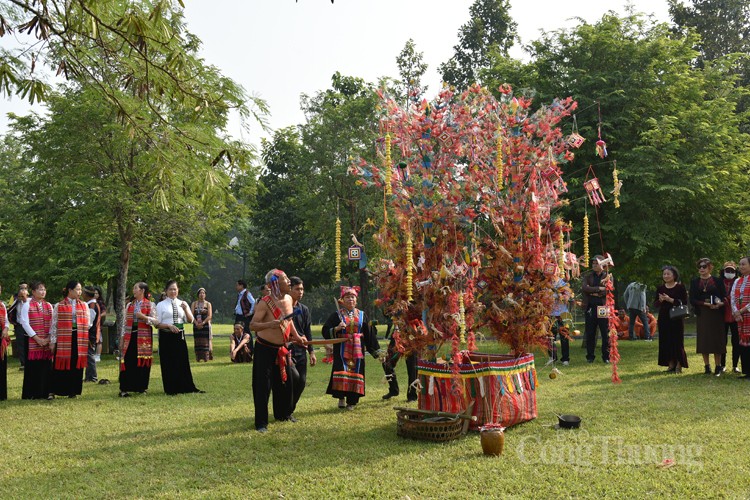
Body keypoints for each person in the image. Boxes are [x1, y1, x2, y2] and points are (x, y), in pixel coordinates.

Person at [249, 269, 307, 432]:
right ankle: (261, 423)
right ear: (274, 283)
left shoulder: (289, 298)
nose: (289, 281)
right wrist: (270, 324)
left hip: (282, 349)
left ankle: (284, 414)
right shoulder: (264, 302)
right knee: (263, 386)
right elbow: (252, 325)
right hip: (264, 349)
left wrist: (297, 336)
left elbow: (289, 321)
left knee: (285, 383)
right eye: (285, 278)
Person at [322, 286, 381, 410]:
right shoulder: (336, 315)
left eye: (352, 297)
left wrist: (377, 352)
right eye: (347, 297)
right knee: (342, 371)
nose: (350, 300)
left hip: (358, 350)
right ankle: (341, 398)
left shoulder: (362, 315)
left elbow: (369, 334)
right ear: (342, 300)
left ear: (356, 300)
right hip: (341, 350)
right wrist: (337, 328)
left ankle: (352, 402)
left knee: (356, 372)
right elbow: (325, 330)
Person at [155, 280, 203, 395]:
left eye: (175, 289)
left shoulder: (182, 303)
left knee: (181, 361)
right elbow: (156, 323)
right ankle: (171, 388)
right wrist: (168, 326)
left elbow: (191, 320)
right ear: (166, 291)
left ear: (178, 290)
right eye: (170, 289)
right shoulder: (161, 305)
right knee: (168, 361)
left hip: (179, 335)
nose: (173, 291)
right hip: (166, 335)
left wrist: (186, 308)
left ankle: (185, 386)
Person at [49, 281, 90, 398]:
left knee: (76, 364)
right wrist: (53, 341)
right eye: (77, 289)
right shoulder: (59, 305)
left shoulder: (84, 305)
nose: (80, 292)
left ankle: (73, 391)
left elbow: (88, 323)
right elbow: (54, 324)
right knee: (61, 364)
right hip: (63, 339)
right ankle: (55, 390)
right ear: (70, 290)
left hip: (79, 338)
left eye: (80, 289)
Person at [690, 258, 727, 376]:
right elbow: (692, 299)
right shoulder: (695, 282)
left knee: (717, 339)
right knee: (704, 339)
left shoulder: (718, 280)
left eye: (704, 266)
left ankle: (718, 366)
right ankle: (707, 366)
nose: (701, 268)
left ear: (710, 267)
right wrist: (705, 304)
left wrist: (720, 304)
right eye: (699, 266)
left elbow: (725, 296)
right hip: (703, 313)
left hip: (716, 314)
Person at [119, 282, 156, 397]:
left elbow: (155, 321)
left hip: (144, 337)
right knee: (128, 361)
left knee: (142, 361)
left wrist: (143, 317)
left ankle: (141, 387)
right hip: (130, 336)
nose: (133, 290)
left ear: (142, 291)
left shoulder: (150, 305)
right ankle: (124, 389)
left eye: (136, 288)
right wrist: (122, 338)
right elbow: (124, 323)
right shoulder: (130, 305)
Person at [19, 281, 53, 399]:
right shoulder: (27, 305)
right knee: (33, 367)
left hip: (46, 341)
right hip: (32, 341)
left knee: (46, 367)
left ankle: (46, 392)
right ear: (33, 292)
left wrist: (48, 338)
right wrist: (37, 338)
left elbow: (53, 323)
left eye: (44, 289)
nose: (43, 292)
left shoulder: (48, 305)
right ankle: (32, 393)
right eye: (40, 289)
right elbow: (24, 323)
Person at [289, 276, 316, 416]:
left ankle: (290, 409)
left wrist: (311, 352)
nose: (300, 292)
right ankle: (286, 410)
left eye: (302, 289)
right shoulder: (284, 308)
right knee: (293, 379)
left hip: (301, 350)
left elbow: (307, 331)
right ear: (289, 289)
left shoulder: (304, 309)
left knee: (302, 381)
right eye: (297, 289)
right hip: (287, 350)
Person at [655, 266, 689, 373]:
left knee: (677, 340)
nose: (666, 276)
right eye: (664, 274)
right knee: (666, 340)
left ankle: (679, 363)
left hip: (676, 317)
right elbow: (655, 304)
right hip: (664, 317)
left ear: (674, 275)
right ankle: (670, 364)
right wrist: (660, 300)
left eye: (668, 274)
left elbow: (684, 302)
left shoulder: (680, 287)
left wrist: (670, 300)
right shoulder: (660, 288)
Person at [581, 256, 611, 363]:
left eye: (596, 263)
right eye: (593, 263)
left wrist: (594, 291)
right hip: (591, 307)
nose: (594, 265)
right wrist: (599, 289)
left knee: (605, 332)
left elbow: (608, 290)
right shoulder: (588, 276)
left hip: (603, 307)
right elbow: (585, 288)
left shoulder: (608, 276)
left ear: (602, 264)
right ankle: (590, 357)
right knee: (590, 333)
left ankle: (606, 356)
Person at [381, 325, 418, 401]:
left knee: (412, 368)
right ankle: (393, 389)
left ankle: (412, 395)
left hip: (412, 335)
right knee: (386, 362)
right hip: (397, 334)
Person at [730, 256, 750, 379]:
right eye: (740, 264)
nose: (741, 266)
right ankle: (747, 371)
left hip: (747, 314)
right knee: (743, 345)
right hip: (740, 318)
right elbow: (732, 297)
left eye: (744, 264)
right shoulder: (737, 281)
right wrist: (736, 312)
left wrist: (741, 311)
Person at [721, 261, 741, 373]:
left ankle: (735, 365)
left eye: (732, 271)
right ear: (723, 271)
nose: (729, 272)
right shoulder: (720, 282)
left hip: (735, 315)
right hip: (722, 316)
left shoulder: (738, 282)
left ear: (735, 272)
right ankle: (722, 364)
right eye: (727, 270)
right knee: (722, 341)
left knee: (736, 341)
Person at [82, 287, 102, 382]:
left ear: (86, 295)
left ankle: (92, 376)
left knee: (89, 355)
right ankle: (89, 376)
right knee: (88, 355)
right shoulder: (92, 304)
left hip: (90, 334)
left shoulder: (92, 306)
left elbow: (89, 322)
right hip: (91, 333)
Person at [234, 280, 255, 358]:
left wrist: (250, 312)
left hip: (244, 317)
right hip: (239, 316)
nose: (236, 287)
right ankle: (240, 351)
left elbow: (253, 302)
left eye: (237, 285)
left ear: (242, 286)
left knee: (247, 333)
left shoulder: (247, 293)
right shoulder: (240, 294)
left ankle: (250, 350)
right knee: (238, 332)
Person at [191, 287, 213, 362]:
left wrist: (203, 323)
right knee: (197, 341)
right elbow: (191, 315)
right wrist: (196, 323)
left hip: (205, 325)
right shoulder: (194, 303)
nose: (202, 294)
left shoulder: (208, 304)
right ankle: (198, 357)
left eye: (203, 293)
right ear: (198, 294)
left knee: (205, 341)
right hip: (196, 325)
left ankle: (206, 357)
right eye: (200, 293)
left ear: (205, 295)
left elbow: (210, 316)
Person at [93, 286, 107, 363]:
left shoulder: (100, 302)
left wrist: (98, 316)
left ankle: (98, 356)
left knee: (99, 340)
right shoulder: (90, 302)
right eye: (94, 293)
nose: (95, 295)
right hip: (91, 325)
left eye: (97, 293)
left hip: (98, 325)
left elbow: (104, 312)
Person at [0, 283, 9, 400]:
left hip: (1, 337)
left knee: (1, 366)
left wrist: (6, 328)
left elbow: (6, 321)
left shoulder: (2, 305)